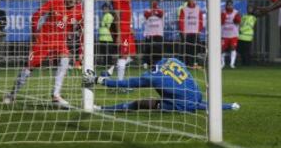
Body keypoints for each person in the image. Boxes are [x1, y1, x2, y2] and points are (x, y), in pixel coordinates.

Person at [3, 0, 82, 107]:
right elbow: (36, 16)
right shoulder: (55, 2)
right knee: (29, 67)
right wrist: (35, 34)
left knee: (65, 60)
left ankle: (56, 95)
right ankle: (12, 94)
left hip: (60, 42)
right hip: (44, 40)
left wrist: (80, 51)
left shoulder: (80, 11)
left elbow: (82, 31)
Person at [84, 58, 240, 112]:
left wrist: (99, 80)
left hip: (182, 103)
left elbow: (125, 83)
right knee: (198, 104)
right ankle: (229, 105)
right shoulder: (173, 60)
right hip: (196, 94)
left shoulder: (153, 78)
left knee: (139, 104)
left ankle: (102, 108)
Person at [107, 0, 136, 81]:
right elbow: (117, 13)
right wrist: (119, 34)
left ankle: (110, 71)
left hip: (127, 28)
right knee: (124, 55)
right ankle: (120, 83)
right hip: (122, 29)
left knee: (132, 55)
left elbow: (129, 9)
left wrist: (131, 26)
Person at [178, 0, 203, 67]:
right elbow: (181, 21)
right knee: (187, 48)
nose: (191, 1)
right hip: (187, 32)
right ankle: (188, 63)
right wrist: (183, 31)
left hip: (195, 32)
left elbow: (200, 20)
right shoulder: (184, 9)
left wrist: (199, 30)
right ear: (187, 1)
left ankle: (194, 62)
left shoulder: (198, 9)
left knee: (195, 48)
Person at [142, 0, 164, 69]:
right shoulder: (147, 12)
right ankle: (146, 62)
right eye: (152, 3)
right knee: (148, 49)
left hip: (158, 33)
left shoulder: (160, 11)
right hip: (149, 33)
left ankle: (157, 63)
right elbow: (146, 15)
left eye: (155, 3)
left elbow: (161, 14)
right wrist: (153, 12)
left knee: (158, 49)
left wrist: (154, 12)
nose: (154, 4)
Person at [221, 0, 241, 69]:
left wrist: (237, 20)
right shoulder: (223, 12)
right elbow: (221, 22)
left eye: (231, 5)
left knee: (233, 48)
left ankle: (232, 64)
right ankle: (222, 63)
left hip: (233, 34)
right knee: (222, 49)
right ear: (226, 6)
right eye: (228, 5)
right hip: (224, 34)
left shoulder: (236, 13)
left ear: (232, 6)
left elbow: (238, 22)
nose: (229, 6)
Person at [98, 3, 115, 69]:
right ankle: (106, 64)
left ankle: (109, 65)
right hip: (102, 37)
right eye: (103, 8)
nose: (104, 10)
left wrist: (103, 24)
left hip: (107, 37)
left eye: (106, 8)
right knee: (104, 52)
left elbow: (108, 25)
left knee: (108, 52)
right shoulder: (104, 15)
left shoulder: (109, 15)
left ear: (108, 9)